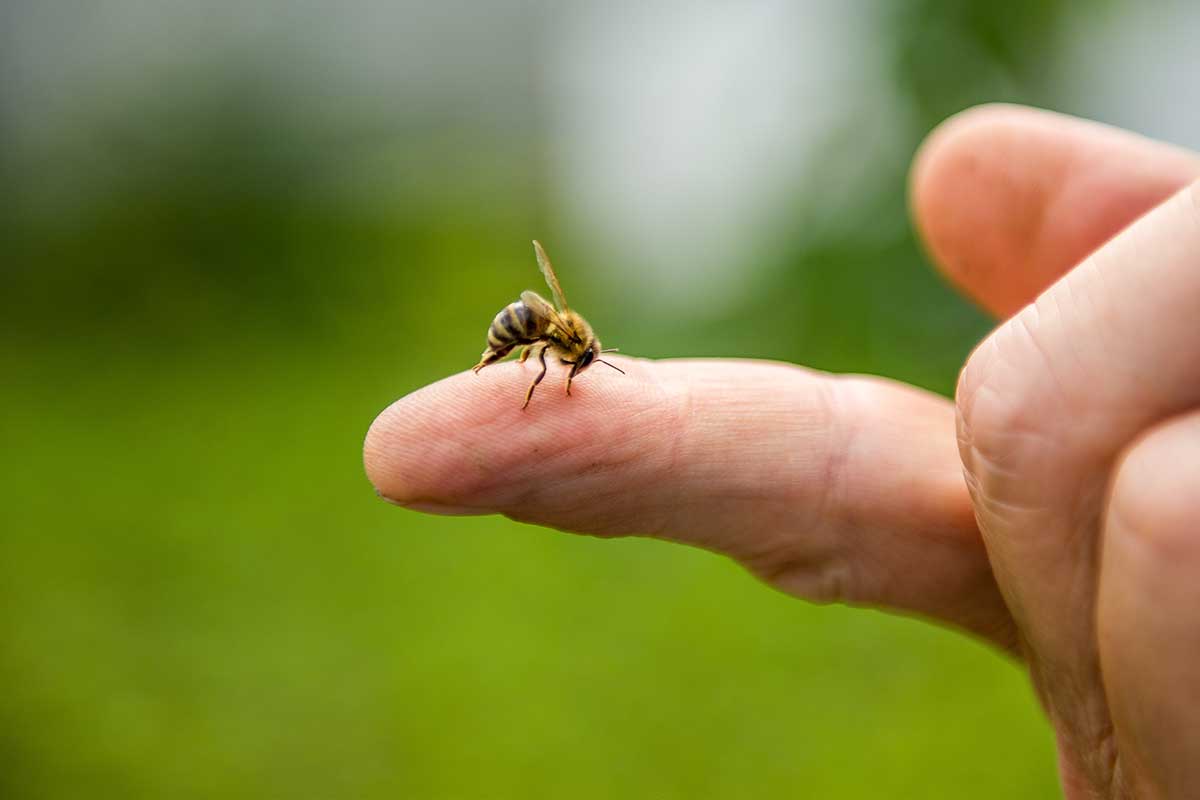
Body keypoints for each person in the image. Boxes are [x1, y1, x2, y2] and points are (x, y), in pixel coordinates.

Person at [364, 104, 1200, 799]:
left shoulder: (566, 341)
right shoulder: (556, 340)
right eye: (577, 358)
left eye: (576, 359)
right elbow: (540, 336)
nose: (575, 361)